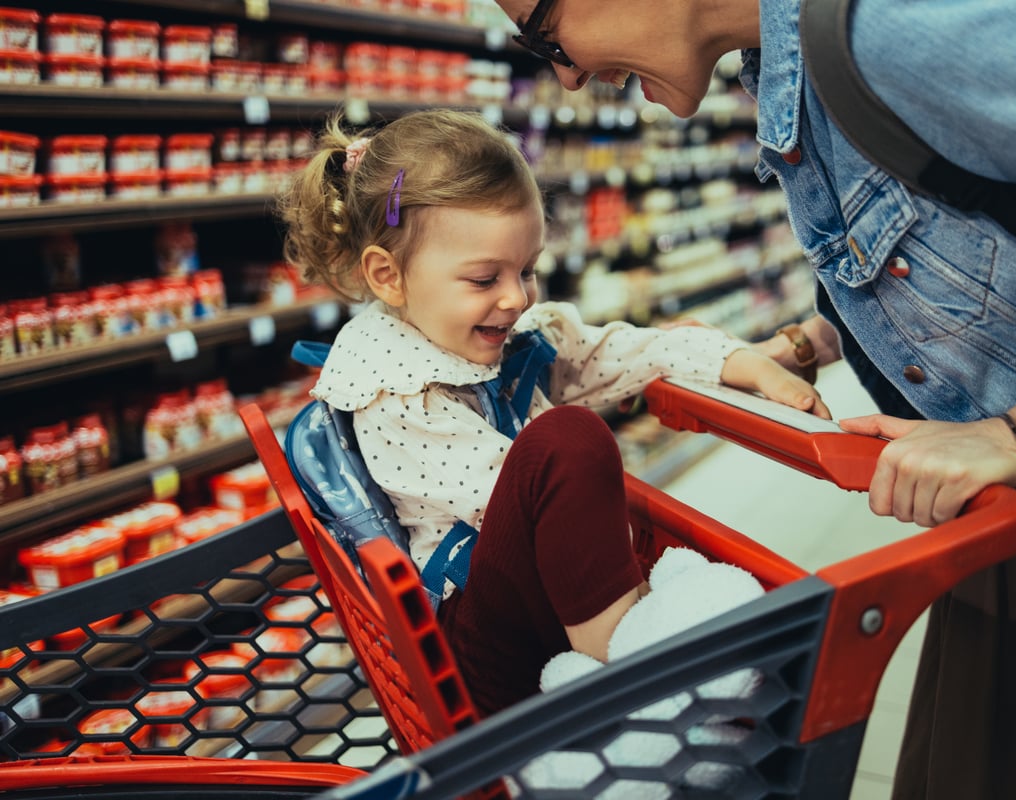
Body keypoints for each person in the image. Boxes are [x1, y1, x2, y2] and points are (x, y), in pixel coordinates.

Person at [485, 0, 1016, 797]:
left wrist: (1015, 434)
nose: (566, 76)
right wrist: (811, 339)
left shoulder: (905, 25)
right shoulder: (793, 72)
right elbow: (959, 236)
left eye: (545, 36)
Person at [276, 108, 828, 715]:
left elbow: (618, 351)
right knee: (567, 440)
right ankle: (633, 686)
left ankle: (635, 647)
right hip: (471, 660)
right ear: (388, 276)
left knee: (571, 443)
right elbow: (528, 497)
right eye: (484, 278)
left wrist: (740, 361)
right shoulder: (394, 394)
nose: (516, 297)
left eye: (527, 269)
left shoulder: (508, 339)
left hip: (532, 612)